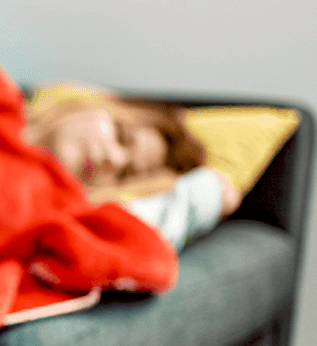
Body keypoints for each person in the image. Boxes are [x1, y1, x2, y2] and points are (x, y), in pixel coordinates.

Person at [25, 85, 242, 250]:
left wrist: (207, 194)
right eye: (122, 136)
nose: (114, 160)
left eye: (123, 175)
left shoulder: (44, 218)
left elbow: (130, 233)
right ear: (94, 105)